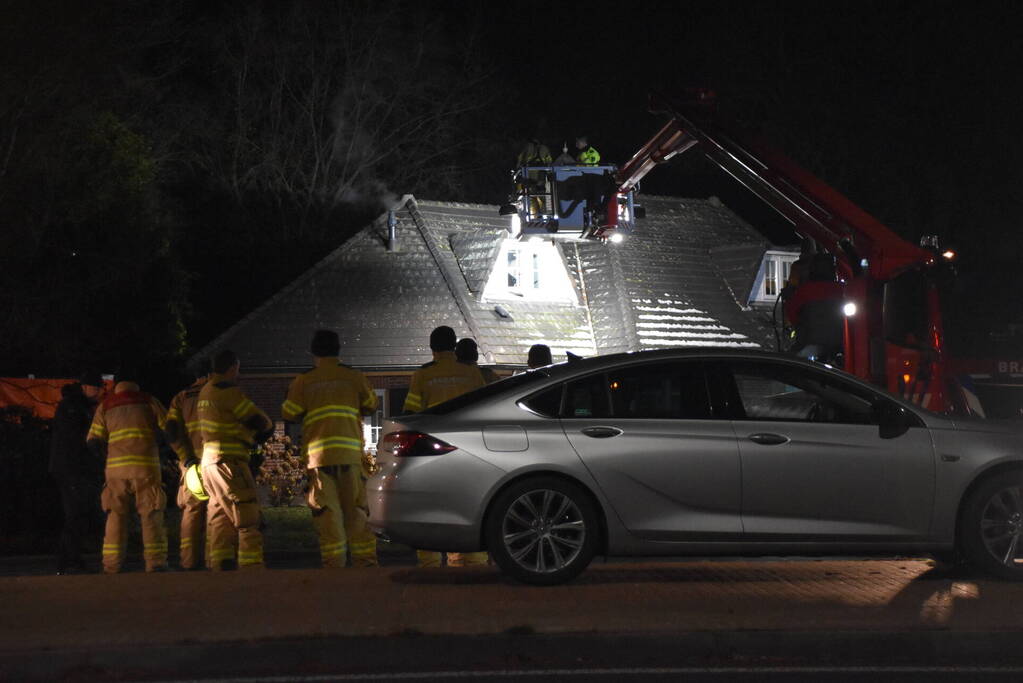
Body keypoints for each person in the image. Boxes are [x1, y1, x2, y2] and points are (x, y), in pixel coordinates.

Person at [281, 330, 379, 568]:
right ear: (338, 350)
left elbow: (289, 412)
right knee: (356, 512)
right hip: (350, 457)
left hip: (319, 459)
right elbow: (371, 405)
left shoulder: (304, 381)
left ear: (313, 353)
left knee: (328, 514)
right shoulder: (354, 377)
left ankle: (334, 568)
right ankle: (365, 566)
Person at [403, 326, 486, 567]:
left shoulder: (423, 375)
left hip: (431, 453)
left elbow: (411, 414)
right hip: (468, 453)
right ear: (454, 346)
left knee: (428, 507)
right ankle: (472, 562)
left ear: (432, 348)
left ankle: (429, 563)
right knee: (466, 505)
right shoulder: (471, 374)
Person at [86, 370, 169, 573]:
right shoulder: (149, 401)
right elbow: (169, 430)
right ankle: (156, 563)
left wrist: (107, 458)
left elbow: (93, 441)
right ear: (136, 383)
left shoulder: (105, 405)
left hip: (116, 471)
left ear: (116, 384)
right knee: (151, 516)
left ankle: (112, 565)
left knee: (116, 517)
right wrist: (163, 450)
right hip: (146, 467)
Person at [199, 350, 273, 570]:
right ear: (233, 367)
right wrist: (258, 439)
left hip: (210, 462)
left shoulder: (206, 390)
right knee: (247, 514)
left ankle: (220, 564)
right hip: (229, 461)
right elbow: (260, 421)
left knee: (220, 514)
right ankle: (252, 568)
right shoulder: (228, 391)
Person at [50, 371, 104, 574]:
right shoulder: (73, 407)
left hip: (72, 469)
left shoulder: (77, 405)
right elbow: (77, 438)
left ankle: (70, 560)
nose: (100, 392)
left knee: (77, 514)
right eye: (97, 388)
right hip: (72, 469)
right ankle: (68, 561)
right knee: (75, 514)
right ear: (86, 387)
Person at [164, 361, 210, 570]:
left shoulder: (180, 398)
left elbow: (171, 431)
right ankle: (215, 559)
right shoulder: (219, 393)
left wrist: (186, 458)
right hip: (216, 461)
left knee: (192, 510)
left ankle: (189, 561)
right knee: (217, 510)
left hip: (191, 463)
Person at [785, 254, 845, 362]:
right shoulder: (842, 290)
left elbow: (792, 314)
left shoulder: (804, 291)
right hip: (840, 344)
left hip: (809, 342)